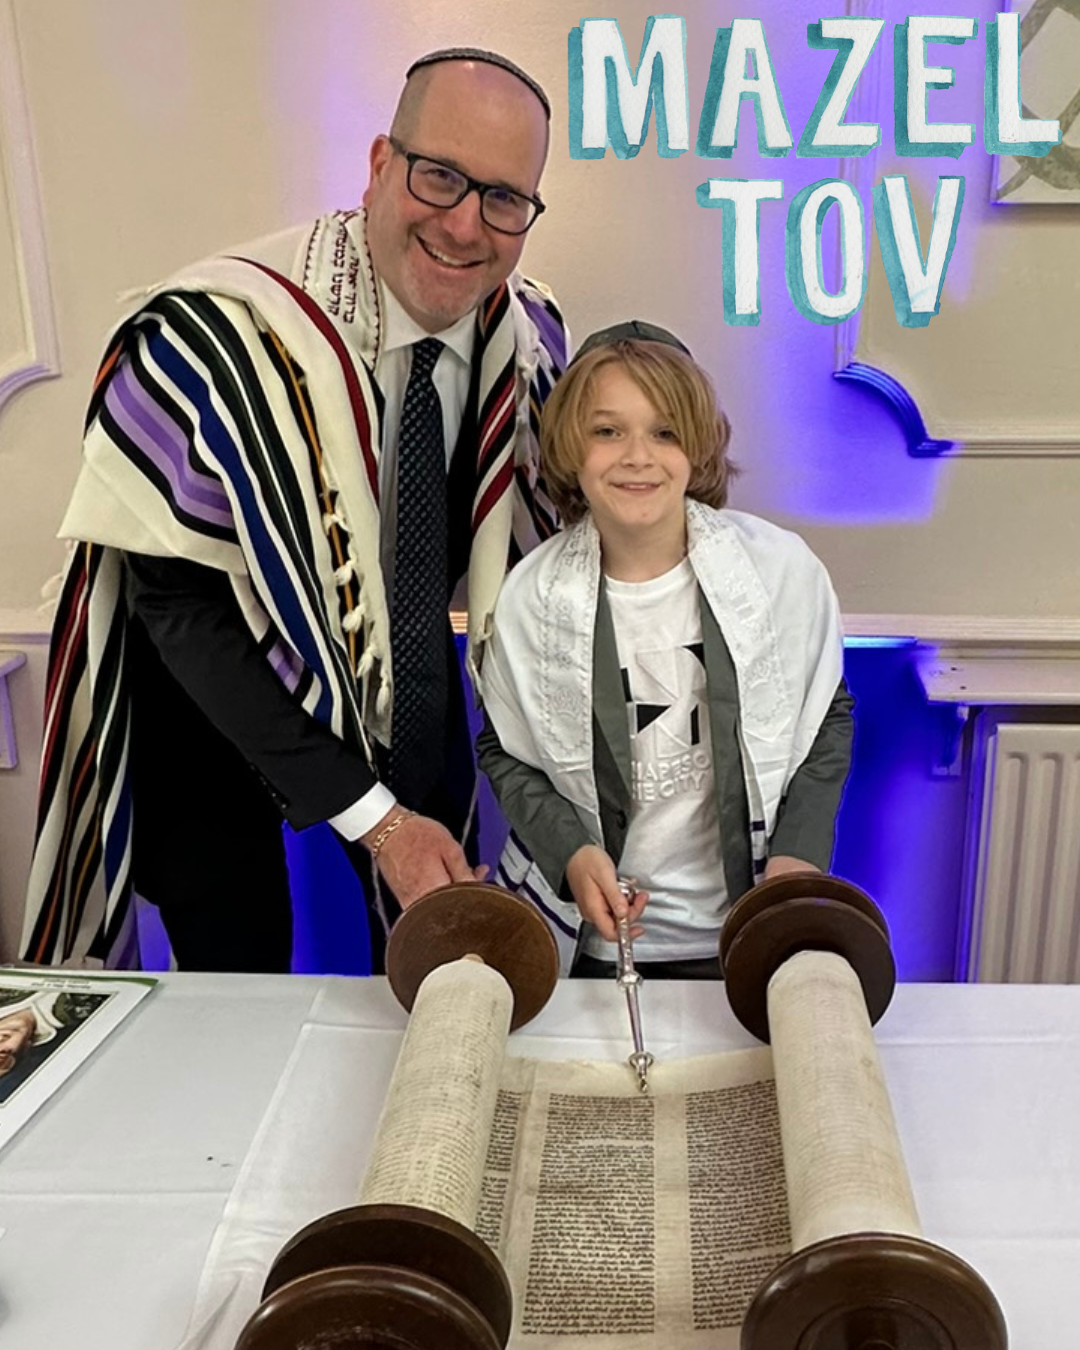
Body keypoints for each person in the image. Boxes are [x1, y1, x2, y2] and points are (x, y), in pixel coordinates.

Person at [23, 49, 569, 973]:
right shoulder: (213, 337)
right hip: (210, 714)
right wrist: (376, 821)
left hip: (406, 686)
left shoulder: (526, 337)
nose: (464, 224)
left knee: (437, 954)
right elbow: (177, 604)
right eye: (439, 176)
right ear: (379, 163)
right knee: (239, 981)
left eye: (504, 198)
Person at [476, 322, 854, 978]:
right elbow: (505, 752)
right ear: (570, 445)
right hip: (592, 944)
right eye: (607, 431)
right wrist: (570, 853)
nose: (637, 457)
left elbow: (826, 719)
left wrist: (796, 856)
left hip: (744, 930)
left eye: (665, 432)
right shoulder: (530, 596)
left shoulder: (779, 572)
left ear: (697, 445)